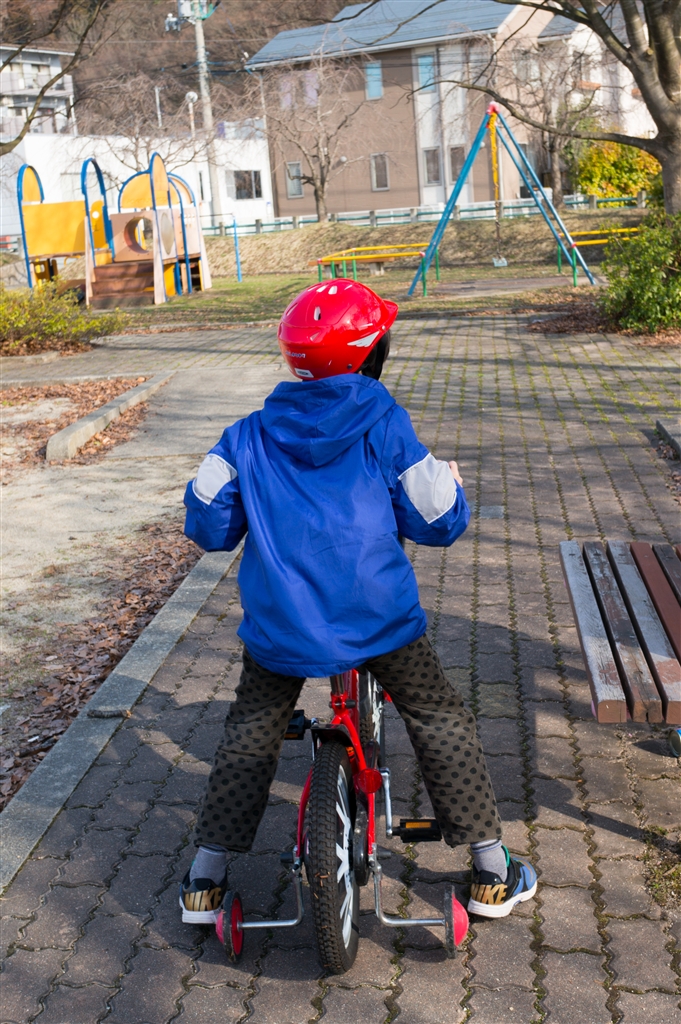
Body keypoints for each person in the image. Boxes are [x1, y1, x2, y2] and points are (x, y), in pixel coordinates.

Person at [181, 279, 536, 926]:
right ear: (374, 354)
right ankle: (490, 870)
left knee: (250, 730)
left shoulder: (245, 436)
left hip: (283, 627)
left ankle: (204, 880)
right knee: (437, 714)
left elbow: (208, 524)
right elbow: (438, 520)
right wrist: (451, 486)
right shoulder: (385, 425)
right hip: (379, 621)